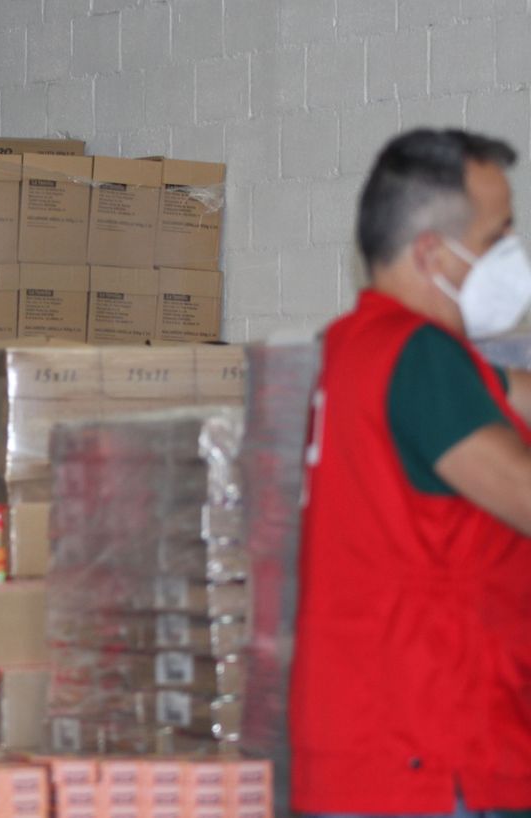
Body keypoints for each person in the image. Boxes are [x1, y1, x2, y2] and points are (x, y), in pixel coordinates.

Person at [293, 128, 531, 817]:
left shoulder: (359, 345)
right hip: (427, 750)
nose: (512, 260)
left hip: (373, 744)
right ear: (433, 254)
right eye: (498, 239)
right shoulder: (422, 357)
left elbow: (504, 388)